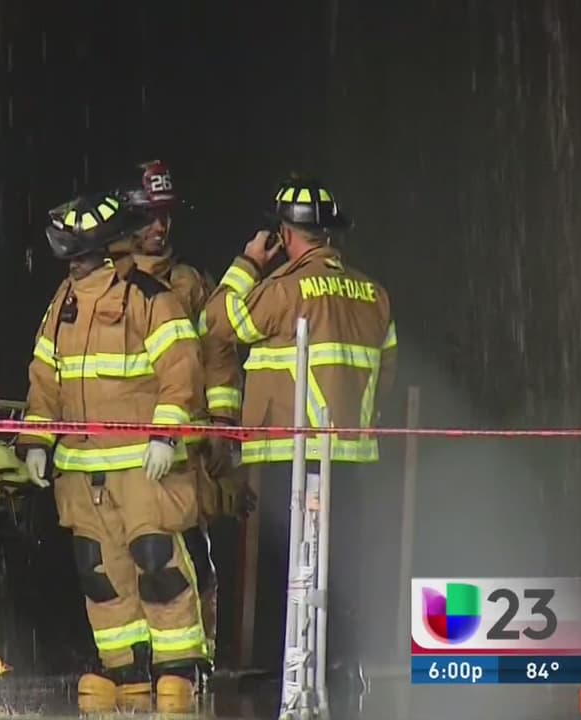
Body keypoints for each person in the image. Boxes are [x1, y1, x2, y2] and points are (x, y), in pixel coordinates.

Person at [16, 191, 208, 709]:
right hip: (83, 470)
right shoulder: (64, 301)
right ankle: (125, 669)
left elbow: (182, 370)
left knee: (158, 562)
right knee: (99, 572)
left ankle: (178, 667)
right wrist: (37, 440)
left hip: (142, 466)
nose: (71, 265)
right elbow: (45, 378)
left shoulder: (148, 296)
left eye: (76, 255)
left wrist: (166, 434)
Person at [201, 176, 396, 672]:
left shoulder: (284, 291)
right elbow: (387, 373)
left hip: (291, 454)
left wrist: (248, 263)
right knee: (338, 564)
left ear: (285, 235)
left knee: (286, 568)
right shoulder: (373, 295)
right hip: (350, 457)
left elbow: (218, 323)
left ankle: (281, 671)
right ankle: (339, 665)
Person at [121, 160, 246, 672]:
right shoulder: (105, 285)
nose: (160, 227)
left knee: (189, 562)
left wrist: (222, 430)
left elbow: (218, 360)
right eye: (149, 216)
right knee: (120, 569)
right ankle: (132, 667)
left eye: (165, 216)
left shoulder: (189, 284)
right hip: (119, 459)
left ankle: (193, 667)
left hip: (183, 460)